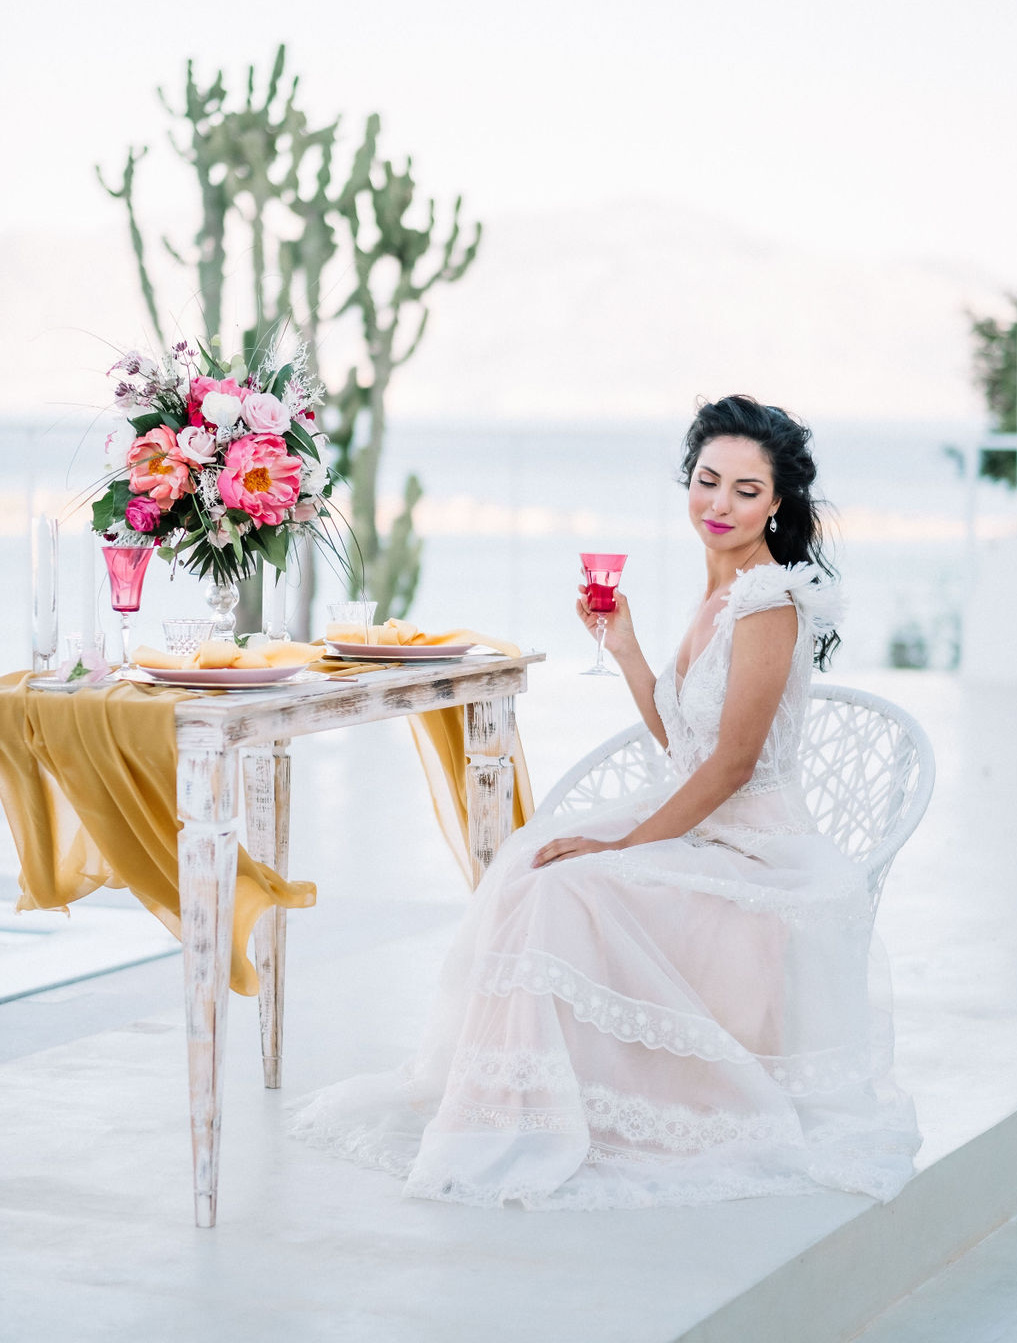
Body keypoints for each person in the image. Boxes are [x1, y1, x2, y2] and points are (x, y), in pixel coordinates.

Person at [291, 394, 921, 1210]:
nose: (719, 505)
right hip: (702, 826)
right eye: (707, 481)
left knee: (567, 882)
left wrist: (624, 848)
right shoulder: (721, 594)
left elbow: (730, 768)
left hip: (754, 853)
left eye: (745, 490)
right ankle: (510, 1098)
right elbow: (684, 743)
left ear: (779, 503)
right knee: (527, 867)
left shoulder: (768, 600)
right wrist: (625, 649)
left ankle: (541, 1106)